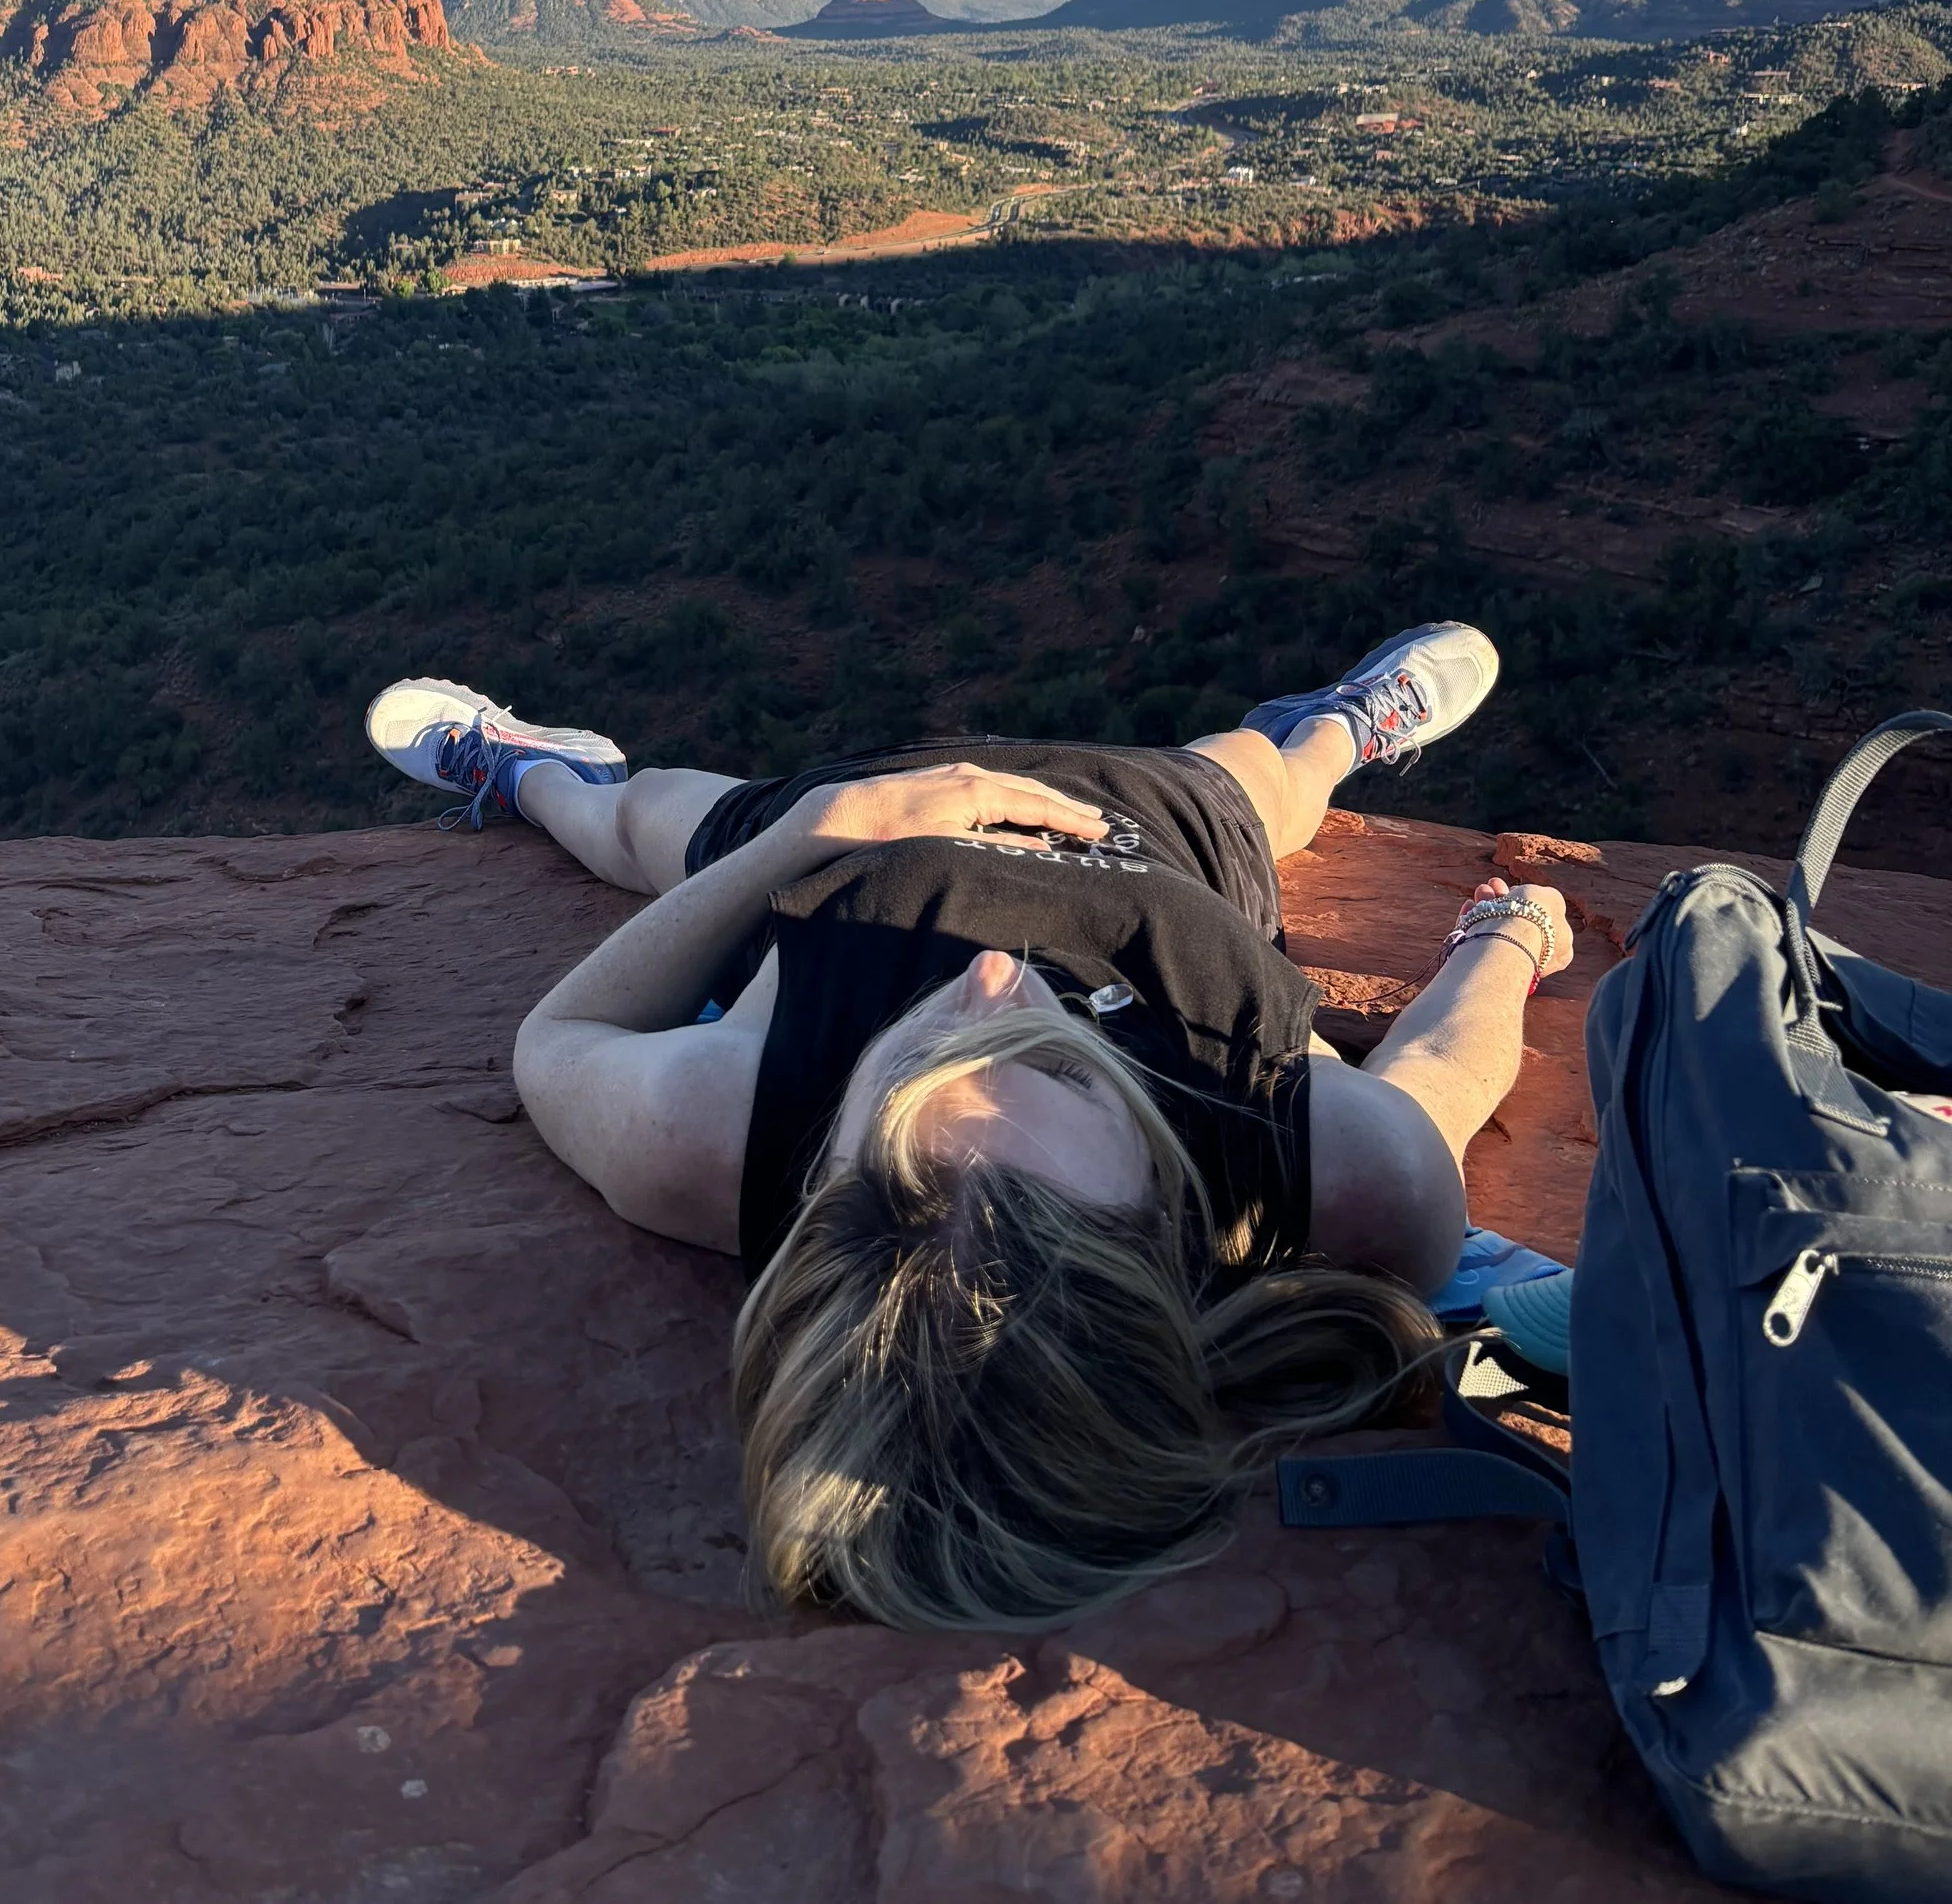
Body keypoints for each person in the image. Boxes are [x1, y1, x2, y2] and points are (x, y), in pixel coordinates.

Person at [364, 625, 1573, 1632]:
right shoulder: (1291, 1157)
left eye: (921, 1057)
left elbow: (558, 1043)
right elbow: (1431, 1093)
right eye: (1073, 1067)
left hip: (852, 827)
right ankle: (1351, 721)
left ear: (826, 1184)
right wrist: (1506, 942)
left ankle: (527, 766)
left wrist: (812, 834)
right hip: (1151, 827)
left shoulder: (714, 1133)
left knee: (630, 825)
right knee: (1273, 773)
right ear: (1163, 1210)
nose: (996, 979)